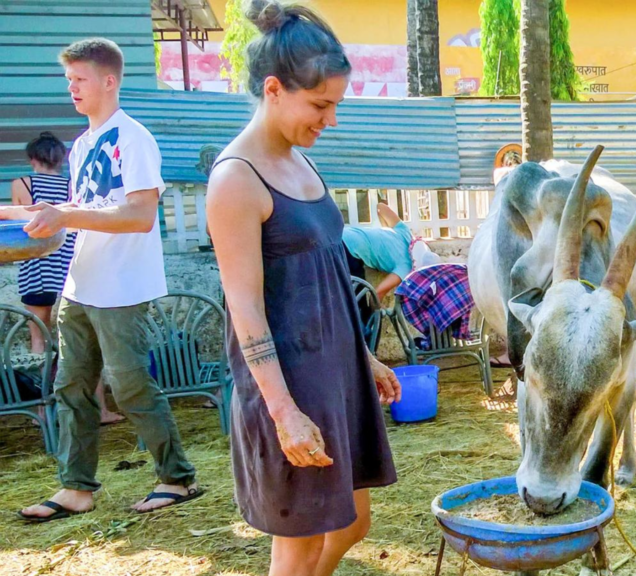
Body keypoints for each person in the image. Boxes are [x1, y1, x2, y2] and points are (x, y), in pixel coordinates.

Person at [204, 2, 400, 575]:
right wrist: (284, 411)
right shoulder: (235, 180)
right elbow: (244, 305)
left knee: (355, 522)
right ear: (274, 89)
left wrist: (363, 357)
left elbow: (329, 276)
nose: (329, 119)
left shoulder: (302, 165)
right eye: (320, 105)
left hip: (336, 373)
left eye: (334, 104)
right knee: (299, 545)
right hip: (287, 385)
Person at [9, 37, 200, 522]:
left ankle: (176, 478)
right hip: (80, 281)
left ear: (109, 80)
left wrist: (65, 213)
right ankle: (76, 488)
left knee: (132, 386)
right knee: (70, 386)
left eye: (79, 79)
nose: (70, 87)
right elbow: (80, 211)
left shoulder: (133, 138)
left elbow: (138, 215)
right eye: (68, 79)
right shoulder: (83, 144)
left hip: (122, 284)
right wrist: (31, 213)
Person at [10, 132, 124, 425]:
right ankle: (100, 409)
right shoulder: (72, 186)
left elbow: (23, 226)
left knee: (39, 341)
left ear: (32, 158)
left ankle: (40, 414)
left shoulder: (22, 184)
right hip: (69, 270)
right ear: (60, 159)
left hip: (35, 270)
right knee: (83, 342)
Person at [342, 202, 419, 301]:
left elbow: (380, 207)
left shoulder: (405, 232)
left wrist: (384, 232)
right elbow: (378, 293)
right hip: (349, 251)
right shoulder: (406, 267)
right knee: (358, 302)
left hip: (341, 235)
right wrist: (376, 310)